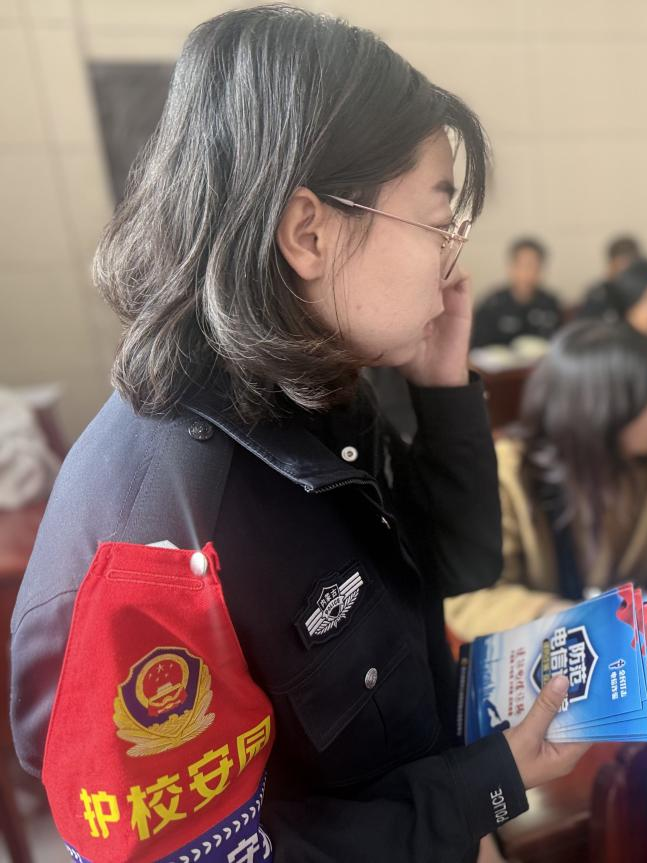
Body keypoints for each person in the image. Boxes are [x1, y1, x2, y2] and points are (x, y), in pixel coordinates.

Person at [8, 8, 586, 861]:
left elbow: (457, 565)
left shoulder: (319, 386)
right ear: (309, 232)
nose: (454, 261)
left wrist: (442, 389)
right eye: (437, 221)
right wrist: (484, 782)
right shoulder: (154, 546)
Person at [445, 321, 647, 642]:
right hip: (544, 653)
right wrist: (557, 617)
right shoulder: (506, 475)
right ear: (600, 409)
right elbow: (471, 596)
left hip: (642, 644)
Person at [472, 237, 563, 348]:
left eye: (534, 266)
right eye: (523, 265)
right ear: (511, 268)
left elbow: (560, 343)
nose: (528, 272)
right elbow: (477, 346)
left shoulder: (550, 303)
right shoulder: (492, 304)